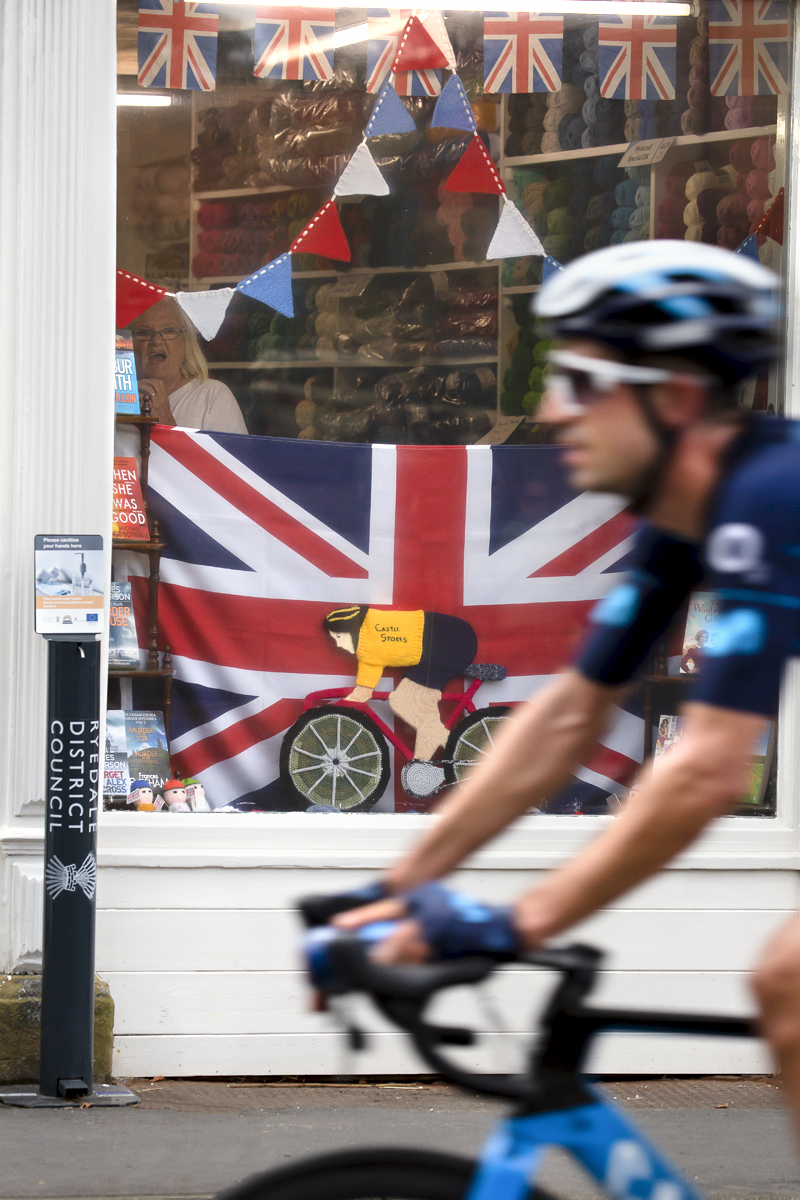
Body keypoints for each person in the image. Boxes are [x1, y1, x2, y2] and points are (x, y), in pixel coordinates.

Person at [321, 241, 800, 1138]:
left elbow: (704, 772)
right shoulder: (686, 519)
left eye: (580, 380)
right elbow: (569, 716)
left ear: (676, 397)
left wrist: (521, 924)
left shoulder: (773, 499)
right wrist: (399, 882)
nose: (549, 409)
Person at [324, 606, 478, 760]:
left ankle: (463, 751)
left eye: (338, 636)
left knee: (402, 701)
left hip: (451, 643)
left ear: (352, 630)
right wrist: (358, 695)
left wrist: (356, 697)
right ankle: (424, 767)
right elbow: (368, 675)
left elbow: (369, 669)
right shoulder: (367, 641)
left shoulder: (370, 640)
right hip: (452, 639)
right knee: (413, 708)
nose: (338, 644)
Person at [130, 296, 246, 434]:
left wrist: (166, 423)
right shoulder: (111, 399)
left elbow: (232, 456)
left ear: (186, 342)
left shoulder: (212, 396)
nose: (156, 341)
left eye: (168, 330)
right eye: (143, 332)